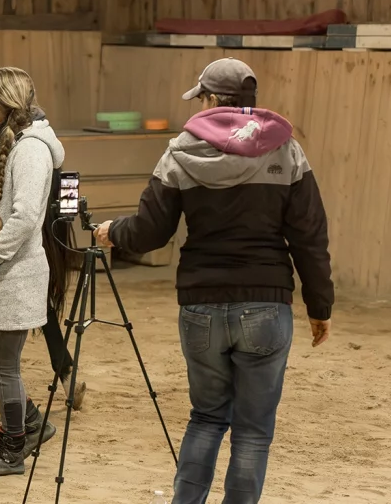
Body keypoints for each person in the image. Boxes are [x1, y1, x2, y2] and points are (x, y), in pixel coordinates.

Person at [93, 57, 334, 503]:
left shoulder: (180, 151)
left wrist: (114, 233)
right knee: (253, 431)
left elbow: (150, 232)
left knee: (205, 419)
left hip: (201, 305)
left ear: (209, 99)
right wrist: (320, 306)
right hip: (266, 304)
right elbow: (310, 238)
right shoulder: (286, 150)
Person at [0, 66, 80, 478]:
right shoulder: (5, 140)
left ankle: (13, 450)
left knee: (3, 367)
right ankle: (30, 421)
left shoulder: (30, 150)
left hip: (12, 276)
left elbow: (25, 215)